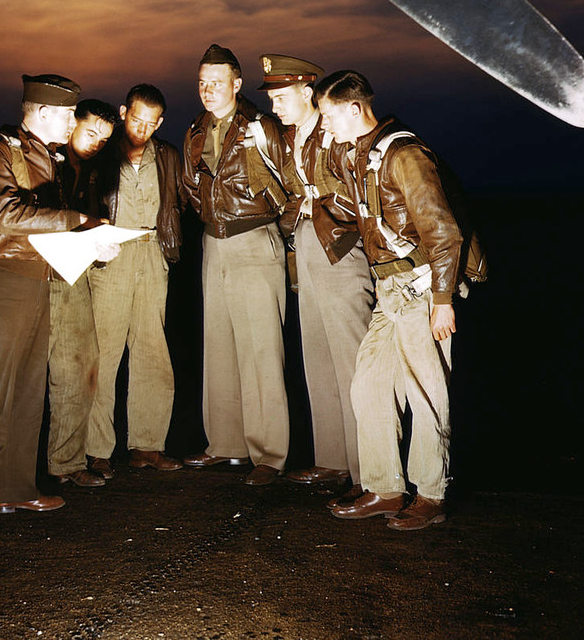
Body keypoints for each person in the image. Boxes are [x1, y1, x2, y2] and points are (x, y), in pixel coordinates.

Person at [0, 73, 103, 542]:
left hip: (39, 280)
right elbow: (8, 216)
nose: (72, 121)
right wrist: (79, 220)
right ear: (41, 113)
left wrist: (91, 240)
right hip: (3, 282)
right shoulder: (0, 150)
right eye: (66, 113)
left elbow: (45, 226)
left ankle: (14, 489)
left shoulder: (48, 157)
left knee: (26, 392)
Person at [316, 70, 462, 531]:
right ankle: (384, 487)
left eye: (329, 116)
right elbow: (359, 214)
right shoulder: (360, 157)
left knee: (426, 395)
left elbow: (443, 231)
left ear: (354, 109)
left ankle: (431, 494)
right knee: (369, 386)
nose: (326, 126)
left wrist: (442, 299)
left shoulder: (403, 154)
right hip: (389, 291)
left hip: (419, 289)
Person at [259, 54, 374, 505]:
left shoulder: (333, 135)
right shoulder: (291, 137)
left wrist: (314, 206)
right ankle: (333, 458)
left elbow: (358, 192)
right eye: (271, 98)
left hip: (341, 249)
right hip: (308, 245)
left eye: (282, 97)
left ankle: (370, 469)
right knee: (319, 355)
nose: (275, 107)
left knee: (350, 360)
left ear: (308, 92)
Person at [181, 44, 291, 486]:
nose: (208, 90)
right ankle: (224, 445)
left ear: (237, 84)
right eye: (202, 83)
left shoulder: (260, 126)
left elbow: (287, 183)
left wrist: (271, 233)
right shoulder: (195, 129)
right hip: (214, 242)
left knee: (262, 349)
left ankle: (269, 454)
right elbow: (191, 188)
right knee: (219, 346)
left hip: (252, 239)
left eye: (217, 82)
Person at [86, 84, 185, 478]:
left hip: (152, 252)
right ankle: (96, 450)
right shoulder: (102, 153)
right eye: (136, 119)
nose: (141, 129)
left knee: (152, 350)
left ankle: (147, 445)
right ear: (124, 111)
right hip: (111, 254)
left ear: (159, 122)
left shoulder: (167, 156)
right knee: (103, 352)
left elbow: (180, 202)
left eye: (150, 123)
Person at [47, 99, 120, 488]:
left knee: (81, 367)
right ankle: (27, 470)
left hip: (71, 276)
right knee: (39, 374)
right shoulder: (46, 161)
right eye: (90, 132)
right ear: (71, 123)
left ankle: (66, 463)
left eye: (104, 139)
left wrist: (101, 248)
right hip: (37, 276)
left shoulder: (93, 172)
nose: (95, 143)